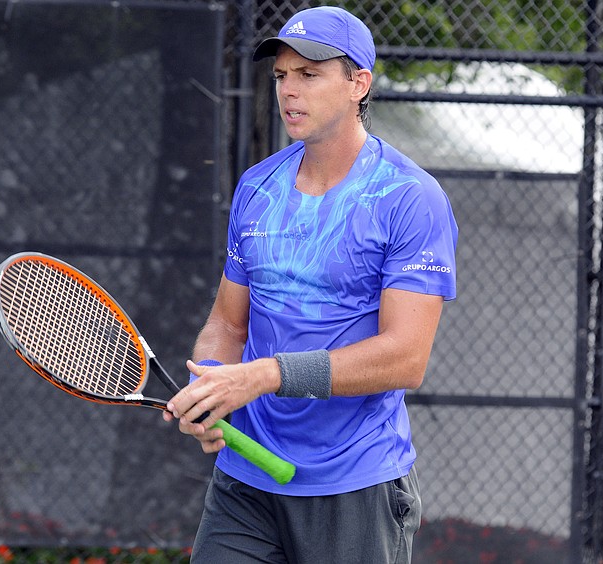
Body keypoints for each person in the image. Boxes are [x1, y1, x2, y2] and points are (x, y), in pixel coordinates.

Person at [162, 6, 458, 563]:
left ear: (358, 84)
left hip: (355, 484)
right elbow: (227, 323)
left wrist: (265, 376)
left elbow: (405, 358)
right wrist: (214, 390)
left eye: (310, 74)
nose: (289, 91)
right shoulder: (257, 187)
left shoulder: (411, 200)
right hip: (247, 483)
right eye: (281, 76)